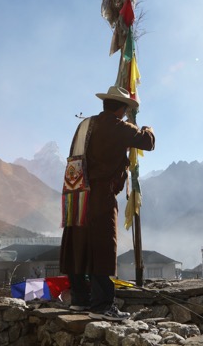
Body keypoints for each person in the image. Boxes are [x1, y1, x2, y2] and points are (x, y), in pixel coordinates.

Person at [59, 85, 156, 321]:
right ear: (121, 110)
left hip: (76, 193)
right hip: (100, 195)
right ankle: (102, 305)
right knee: (102, 245)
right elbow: (147, 142)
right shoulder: (116, 126)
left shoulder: (84, 125)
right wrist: (146, 127)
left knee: (78, 244)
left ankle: (80, 300)